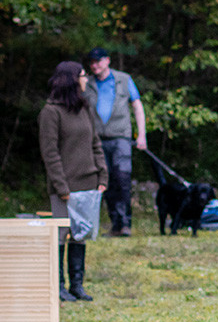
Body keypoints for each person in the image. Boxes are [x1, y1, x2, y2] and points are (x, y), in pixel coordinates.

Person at [38, 61, 109, 302]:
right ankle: (58, 286)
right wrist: (61, 187)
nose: (86, 79)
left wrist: (102, 175)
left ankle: (77, 286)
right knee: (60, 235)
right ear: (71, 80)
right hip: (65, 188)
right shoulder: (50, 112)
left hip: (88, 184)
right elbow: (50, 153)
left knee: (80, 235)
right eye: (82, 75)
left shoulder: (84, 108)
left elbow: (95, 144)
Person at [85, 47, 147, 237]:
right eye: (92, 62)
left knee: (122, 179)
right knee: (105, 181)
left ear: (107, 61)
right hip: (97, 139)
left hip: (121, 138)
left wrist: (141, 135)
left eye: (98, 61)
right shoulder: (87, 83)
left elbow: (137, 106)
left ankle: (125, 223)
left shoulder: (124, 79)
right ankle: (115, 225)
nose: (95, 65)